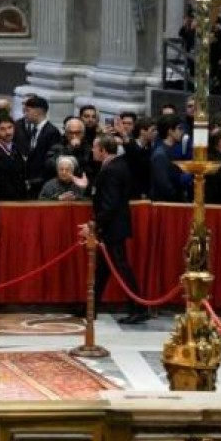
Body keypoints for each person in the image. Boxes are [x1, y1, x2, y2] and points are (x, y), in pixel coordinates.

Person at [79, 136, 148, 324]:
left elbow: (110, 204)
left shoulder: (112, 169)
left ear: (103, 150)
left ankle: (139, 308)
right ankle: (90, 307)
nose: (92, 151)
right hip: (113, 226)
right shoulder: (116, 165)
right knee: (103, 269)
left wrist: (93, 224)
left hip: (113, 227)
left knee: (120, 267)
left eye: (94, 147)